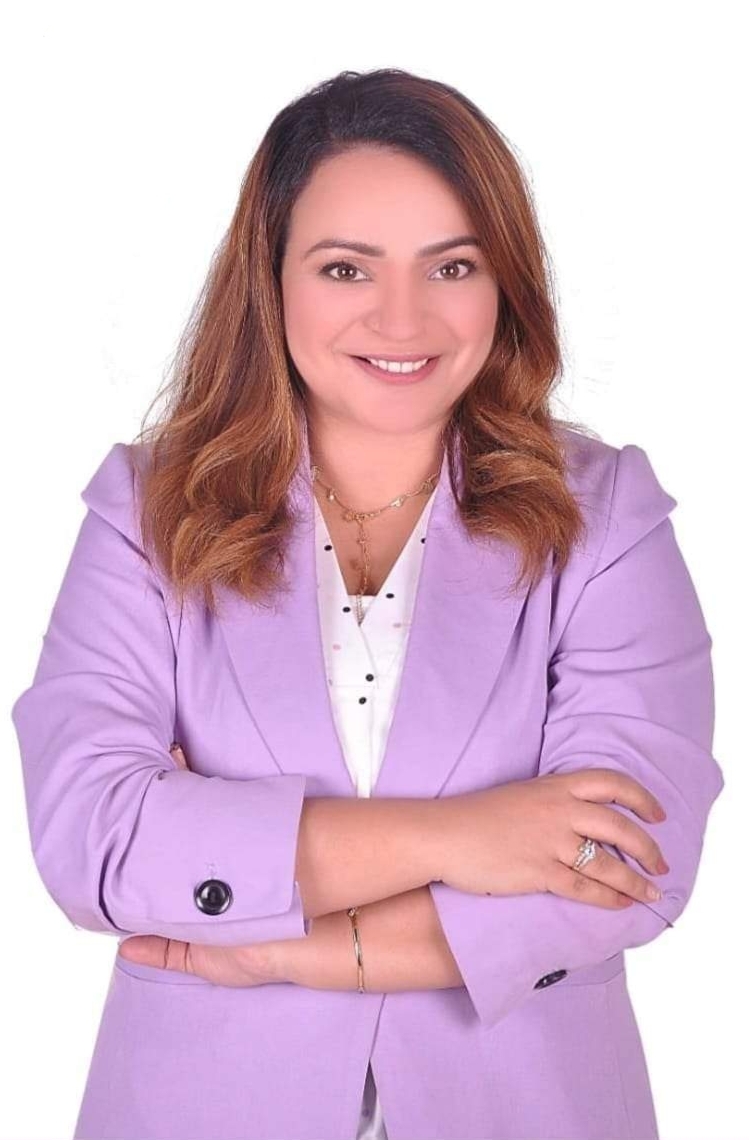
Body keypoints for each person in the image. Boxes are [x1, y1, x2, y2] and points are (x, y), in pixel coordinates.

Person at [11, 68, 723, 1140]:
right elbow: (96, 840)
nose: (402, 317)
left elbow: (625, 864)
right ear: (272, 280)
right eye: (345, 267)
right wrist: (469, 835)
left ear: (504, 281)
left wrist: (278, 942)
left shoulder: (606, 513)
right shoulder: (145, 510)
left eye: (451, 266)